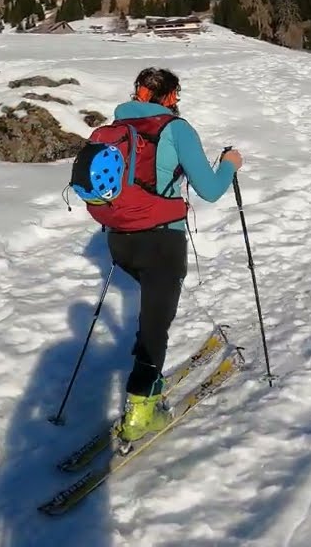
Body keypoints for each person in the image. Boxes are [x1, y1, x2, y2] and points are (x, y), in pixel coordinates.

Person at [105, 67, 242, 441]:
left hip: (118, 239)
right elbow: (210, 189)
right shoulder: (177, 129)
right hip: (161, 241)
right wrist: (230, 164)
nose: (178, 102)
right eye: (176, 96)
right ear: (169, 96)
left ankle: (146, 374)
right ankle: (140, 410)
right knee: (155, 328)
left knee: (152, 316)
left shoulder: (114, 128)